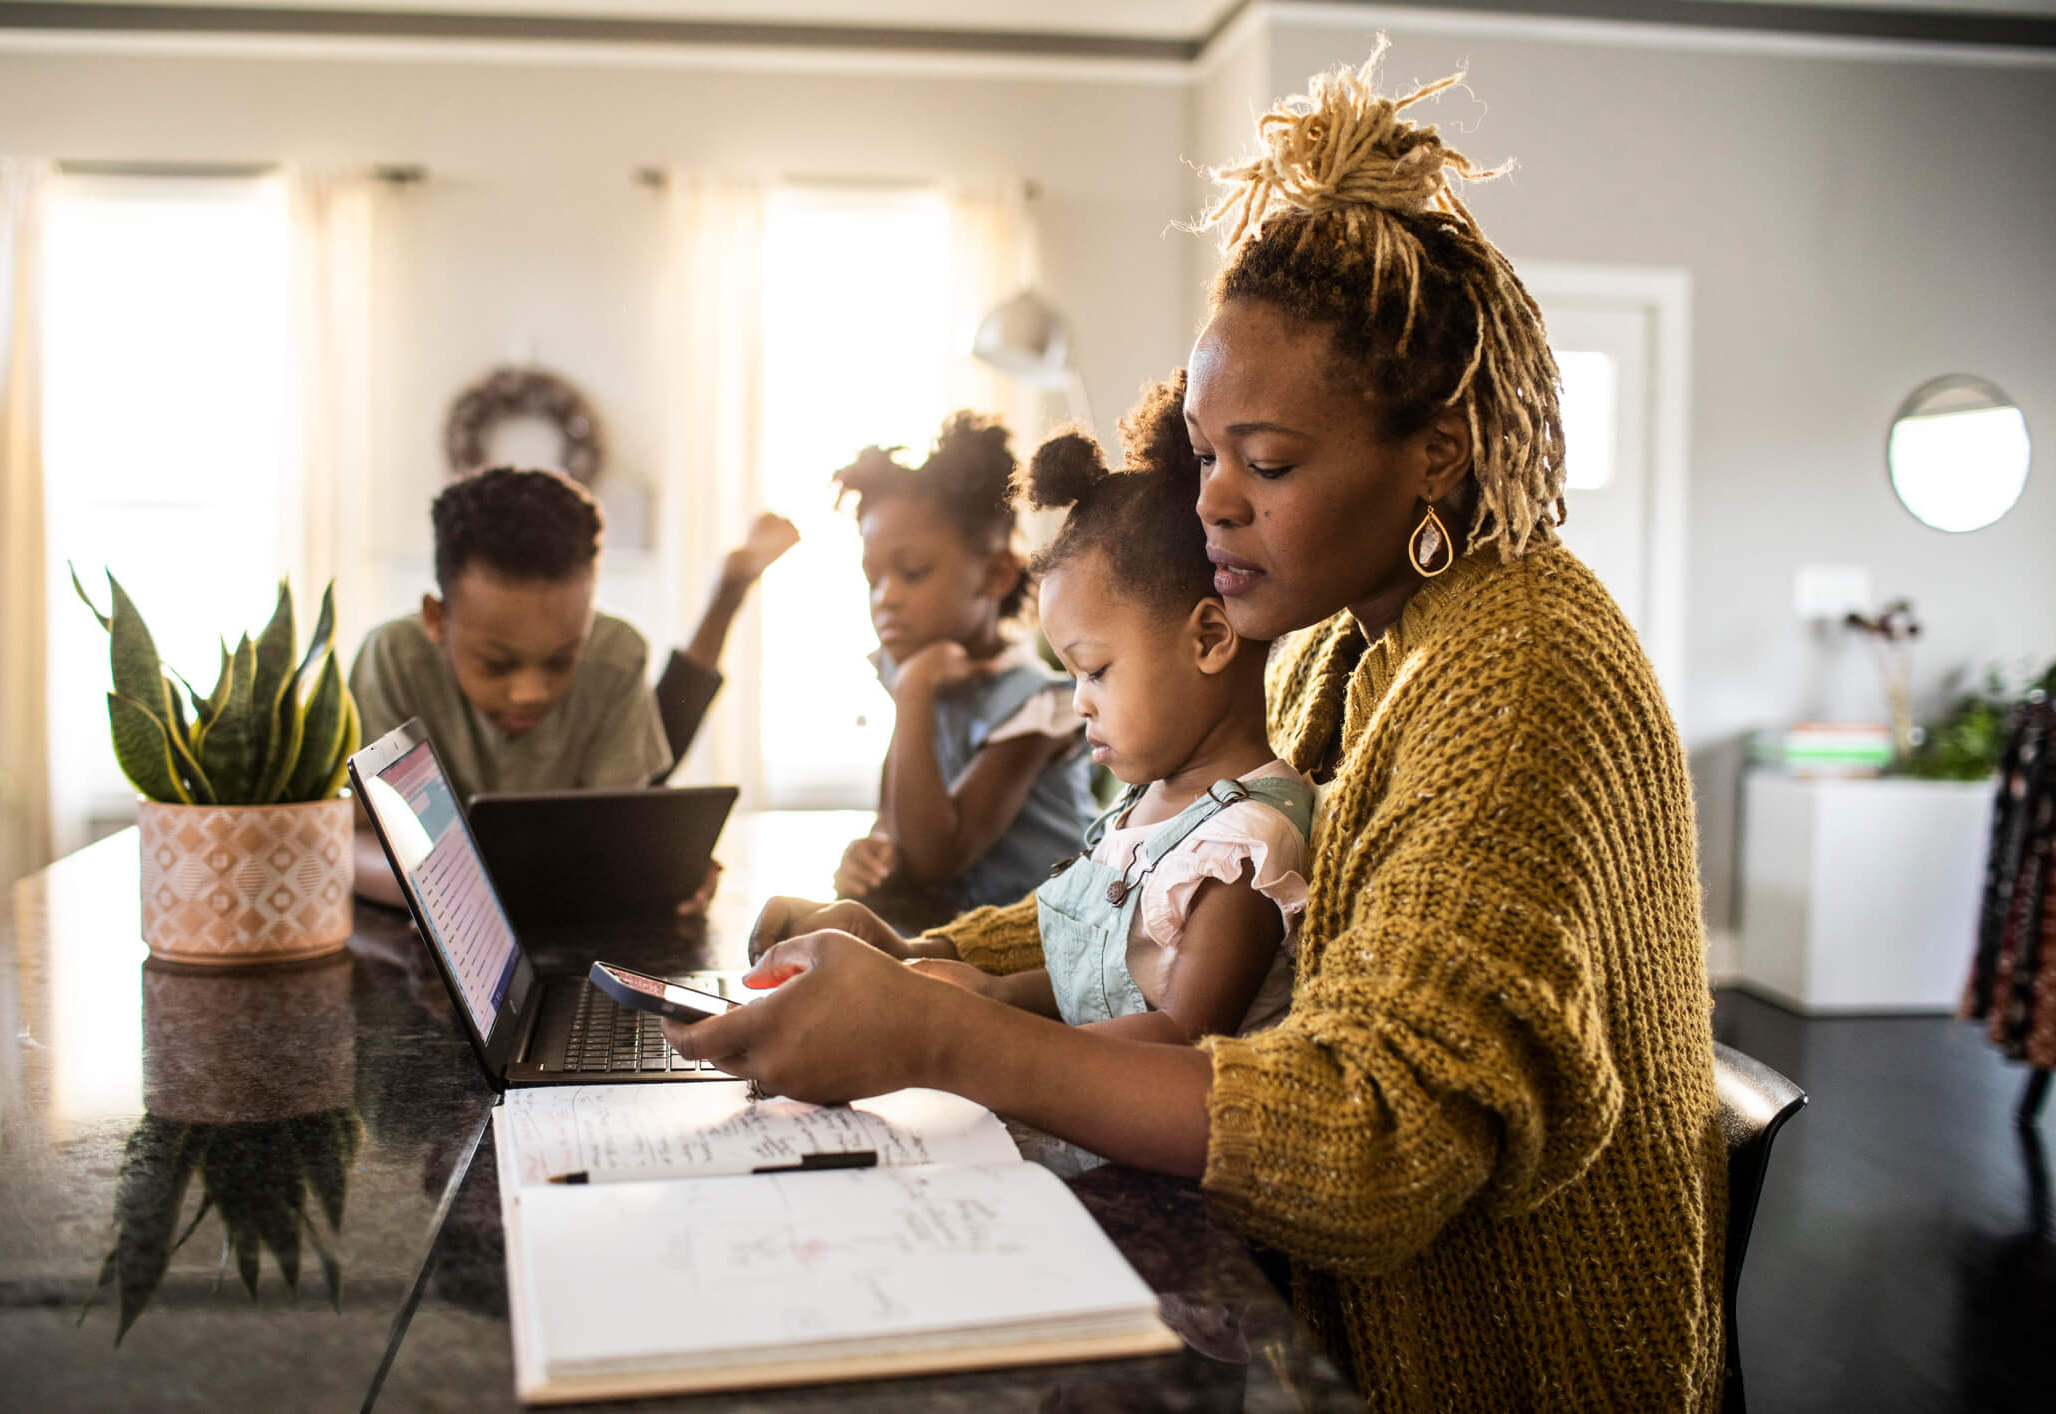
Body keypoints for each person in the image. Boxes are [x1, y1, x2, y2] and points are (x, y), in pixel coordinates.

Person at [668, 45, 1724, 1414]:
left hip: (1492, 1361)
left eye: (1268, 463)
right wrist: (916, 963)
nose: (1214, 503)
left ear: (1438, 454)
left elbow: (1374, 1142)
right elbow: (1144, 875)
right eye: (1208, 451)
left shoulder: (1517, 674)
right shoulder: (1353, 634)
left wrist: (941, 1036)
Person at [912, 378, 1315, 1067]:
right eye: (1070, 677)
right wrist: (987, 993)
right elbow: (1101, 983)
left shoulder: (1244, 846)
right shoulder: (1146, 808)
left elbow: (1175, 1038)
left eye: (1095, 671)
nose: (1078, 701)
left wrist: (974, 1039)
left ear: (1209, 638)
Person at [349, 465, 797, 906]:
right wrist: (450, 891)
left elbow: (617, 833)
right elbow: (347, 841)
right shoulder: (390, 657)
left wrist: (660, 865)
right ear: (436, 619)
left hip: (605, 792)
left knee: (659, 757)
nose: (531, 692)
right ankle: (729, 590)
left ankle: (727, 594)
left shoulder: (615, 652)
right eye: (497, 663)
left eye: (562, 660)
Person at [829, 412, 1097, 928]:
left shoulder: (1037, 703)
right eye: (873, 578)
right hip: (955, 936)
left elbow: (936, 857)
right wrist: (870, 856)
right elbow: (897, 828)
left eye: (912, 573)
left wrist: (913, 694)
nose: (886, 599)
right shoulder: (917, 676)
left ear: (995, 574)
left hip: (1048, 948)